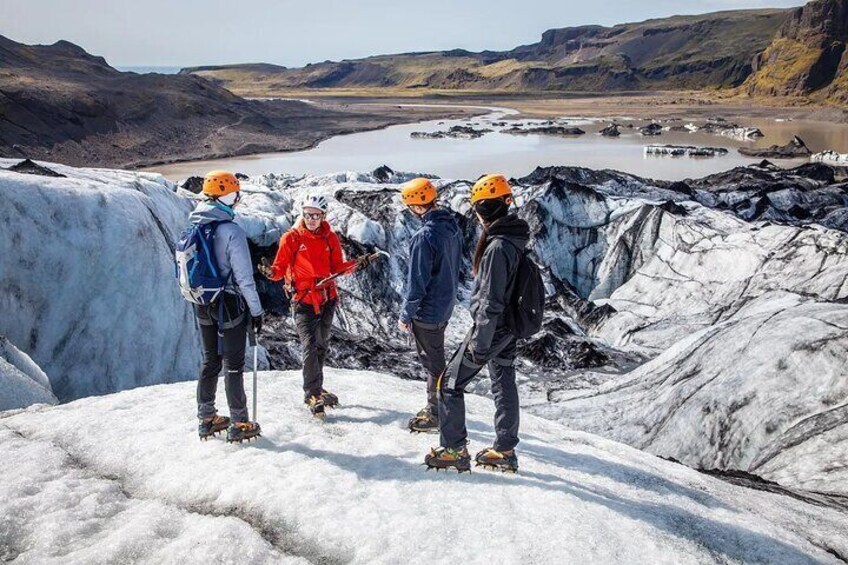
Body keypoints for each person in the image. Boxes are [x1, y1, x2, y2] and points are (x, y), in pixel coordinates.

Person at [424, 174, 529, 473]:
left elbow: (490, 300)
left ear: (481, 211)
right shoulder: (514, 238)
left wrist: (479, 343)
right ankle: (505, 450)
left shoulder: (496, 247)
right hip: (508, 329)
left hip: (492, 330)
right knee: (503, 382)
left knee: (449, 383)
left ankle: (455, 450)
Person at [259, 194, 371, 419]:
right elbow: (280, 269)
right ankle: (311, 393)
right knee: (309, 346)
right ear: (303, 214)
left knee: (321, 345)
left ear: (323, 216)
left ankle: (317, 388)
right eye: (308, 214)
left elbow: (337, 267)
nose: (311, 219)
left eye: (316, 215)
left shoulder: (330, 238)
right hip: (303, 300)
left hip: (327, 298)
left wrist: (355, 264)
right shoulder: (291, 238)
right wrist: (271, 273)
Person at [190, 171, 264, 443]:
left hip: (202, 302)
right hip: (230, 305)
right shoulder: (231, 231)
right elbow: (244, 279)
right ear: (229, 196)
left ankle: (206, 418)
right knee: (233, 365)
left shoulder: (195, 226)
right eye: (235, 194)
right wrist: (256, 312)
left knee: (210, 360)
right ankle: (240, 421)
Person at [398, 178, 463, 433]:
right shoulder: (451, 227)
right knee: (436, 360)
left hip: (428, 311)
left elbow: (417, 283)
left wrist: (406, 314)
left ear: (416, 207)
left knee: (433, 364)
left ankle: (436, 414)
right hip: (445, 305)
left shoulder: (424, 237)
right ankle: (438, 408)